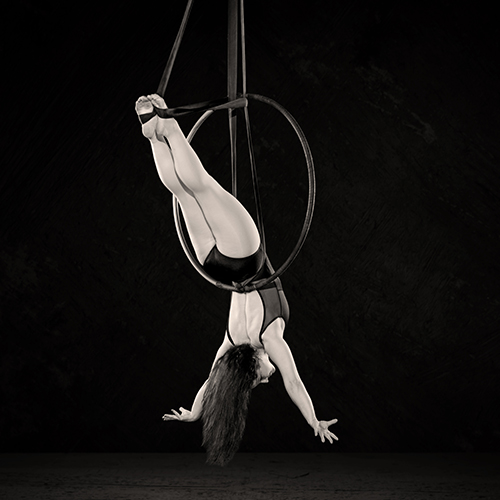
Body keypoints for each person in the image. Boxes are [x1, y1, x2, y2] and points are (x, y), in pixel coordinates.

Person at [136, 94, 338, 466]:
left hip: (243, 257)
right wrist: (197, 413)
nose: (265, 380)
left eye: (259, 379)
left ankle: (169, 125)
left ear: (256, 363)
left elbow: (293, 383)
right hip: (213, 264)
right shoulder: (229, 345)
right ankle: (153, 135)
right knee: (182, 193)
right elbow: (211, 384)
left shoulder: (268, 337)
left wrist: (313, 419)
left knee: (205, 188)